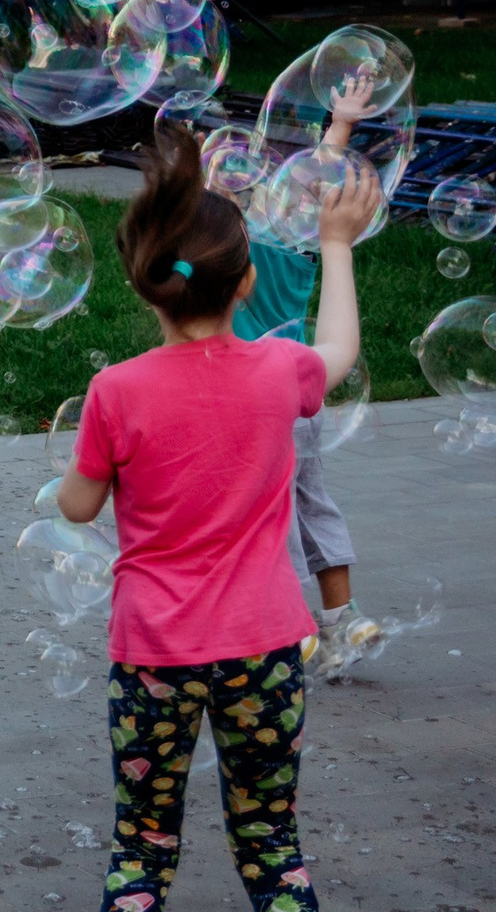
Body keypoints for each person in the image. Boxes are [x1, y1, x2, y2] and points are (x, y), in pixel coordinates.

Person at [56, 124, 379, 912]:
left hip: (154, 652)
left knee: (142, 843)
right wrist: (336, 243)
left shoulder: (115, 390)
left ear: (144, 285)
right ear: (246, 280)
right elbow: (339, 347)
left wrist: (83, 467)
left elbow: (77, 504)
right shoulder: (281, 370)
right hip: (265, 649)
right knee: (272, 844)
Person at [231, 79, 375, 646]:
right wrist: (341, 124)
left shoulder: (230, 257)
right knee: (314, 502)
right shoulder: (297, 246)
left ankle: (291, 625)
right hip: (299, 389)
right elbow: (313, 179)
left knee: (272, 512)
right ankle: (345, 616)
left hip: (249, 402)